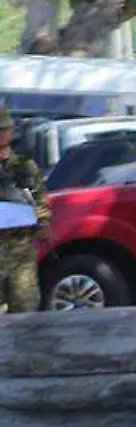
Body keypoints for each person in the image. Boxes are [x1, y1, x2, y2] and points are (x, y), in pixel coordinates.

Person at [0, 107, 48, 314]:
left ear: (11, 132)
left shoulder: (24, 166)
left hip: (20, 251)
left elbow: (40, 200)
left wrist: (44, 223)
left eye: (4, 130)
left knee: (25, 310)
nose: (1, 135)